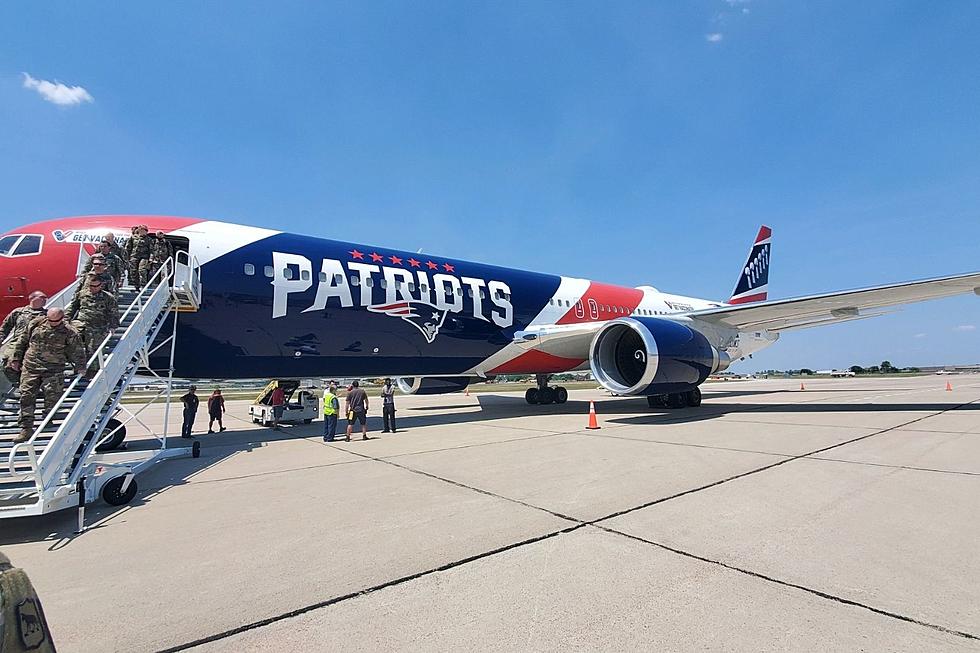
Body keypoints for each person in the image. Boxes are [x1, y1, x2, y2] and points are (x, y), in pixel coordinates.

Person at [8, 308, 87, 443]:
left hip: (53, 368)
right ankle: (26, 428)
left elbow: (77, 350)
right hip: (31, 366)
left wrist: (81, 367)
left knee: (52, 396)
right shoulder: (35, 323)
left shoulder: (69, 332)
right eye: (49, 319)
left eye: (55, 321)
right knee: (26, 395)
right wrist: (15, 358)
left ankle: (47, 420)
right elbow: (22, 341)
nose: (52, 323)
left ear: (61, 319)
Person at [66, 275, 119, 371]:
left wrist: (113, 326)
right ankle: (77, 369)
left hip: (98, 328)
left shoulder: (108, 297)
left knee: (93, 351)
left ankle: (93, 372)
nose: (93, 288)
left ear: (101, 285)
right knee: (75, 347)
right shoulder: (81, 294)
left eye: (96, 286)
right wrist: (66, 320)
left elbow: (113, 312)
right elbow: (72, 307)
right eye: (91, 286)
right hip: (81, 325)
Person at [0, 290, 47, 389]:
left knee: (32, 369)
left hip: (34, 345)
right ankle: (20, 384)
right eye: (42, 297)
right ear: (32, 298)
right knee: (8, 365)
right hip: (17, 344)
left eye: (45, 298)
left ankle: (32, 387)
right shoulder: (18, 312)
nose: (45, 300)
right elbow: (5, 327)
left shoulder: (46, 315)